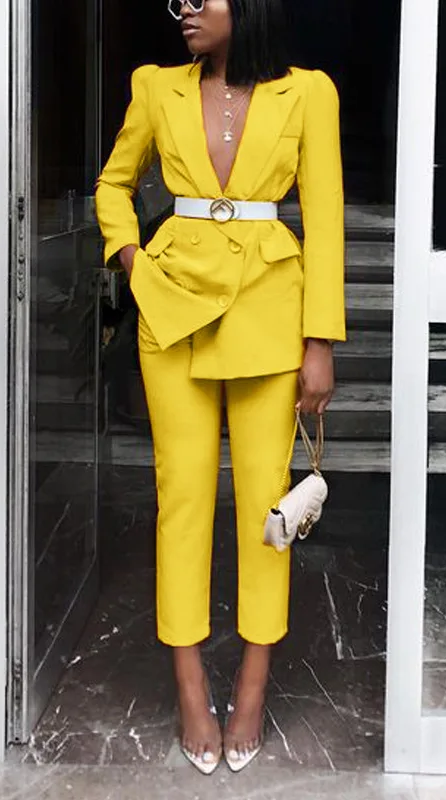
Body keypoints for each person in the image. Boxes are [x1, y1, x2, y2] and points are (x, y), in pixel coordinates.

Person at [95, 0, 344, 775]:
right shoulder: (155, 85)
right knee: (182, 499)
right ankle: (191, 686)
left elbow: (326, 220)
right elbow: (112, 185)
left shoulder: (309, 92)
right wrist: (134, 263)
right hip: (173, 313)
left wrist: (319, 342)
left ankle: (253, 687)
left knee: (268, 509)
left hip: (271, 312)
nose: (184, 11)